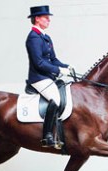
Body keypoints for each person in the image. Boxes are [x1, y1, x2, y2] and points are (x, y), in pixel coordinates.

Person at [26, 5, 73, 148]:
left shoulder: (46, 37)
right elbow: (38, 62)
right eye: (46, 18)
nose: (48, 20)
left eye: (48, 18)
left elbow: (53, 59)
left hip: (48, 77)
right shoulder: (33, 37)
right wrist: (58, 70)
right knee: (56, 99)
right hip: (38, 78)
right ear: (37, 19)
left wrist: (66, 66)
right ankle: (47, 136)